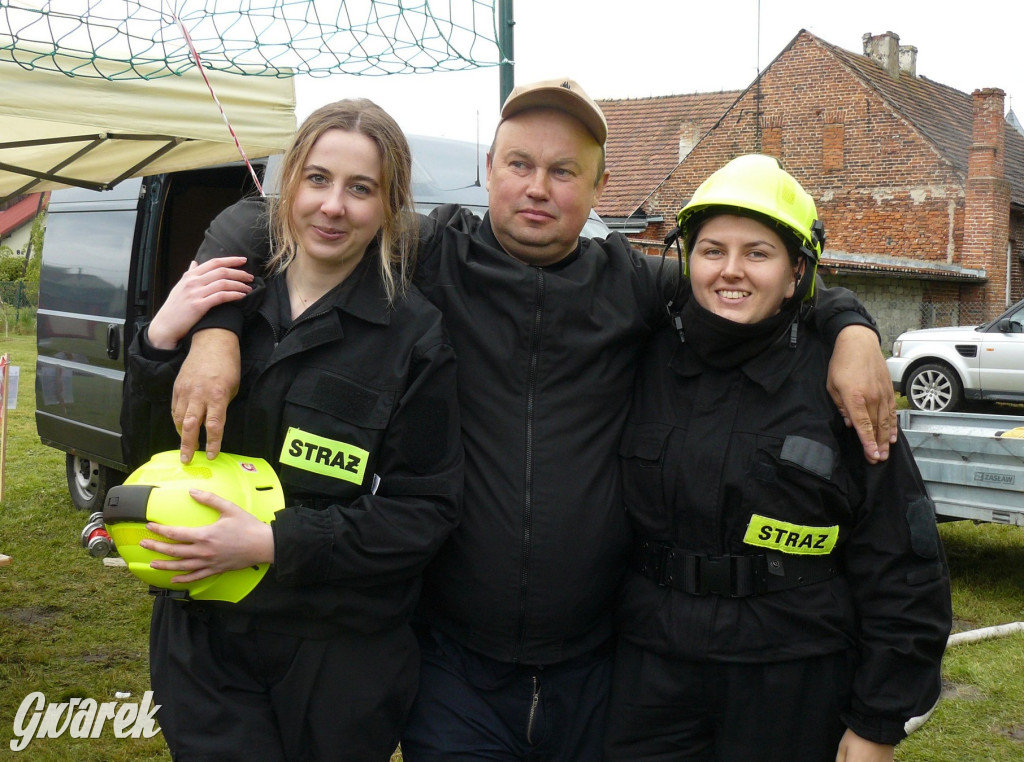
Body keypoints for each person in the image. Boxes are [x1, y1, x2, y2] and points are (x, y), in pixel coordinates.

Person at [171, 79, 896, 761]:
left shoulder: (636, 284)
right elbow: (259, 215)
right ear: (490, 167)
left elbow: (751, 275)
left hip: (596, 659)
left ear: (599, 187)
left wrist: (850, 326)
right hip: (452, 661)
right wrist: (216, 331)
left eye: (564, 171)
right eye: (520, 164)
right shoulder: (429, 254)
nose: (538, 188)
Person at [119, 99, 463, 761]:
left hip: (340, 656)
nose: (333, 206)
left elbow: (424, 514)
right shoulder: (222, 299)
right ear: (289, 187)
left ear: (390, 206)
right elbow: (146, 462)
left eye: (360, 188)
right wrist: (163, 339)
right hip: (204, 645)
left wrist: (270, 542)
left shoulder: (416, 337)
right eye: (317, 179)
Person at [605, 154, 952, 762]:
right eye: (712, 250)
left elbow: (902, 562)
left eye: (757, 253)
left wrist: (876, 722)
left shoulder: (842, 386)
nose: (731, 271)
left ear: (797, 274)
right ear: (688, 262)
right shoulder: (638, 358)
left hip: (792, 677)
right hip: (650, 677)